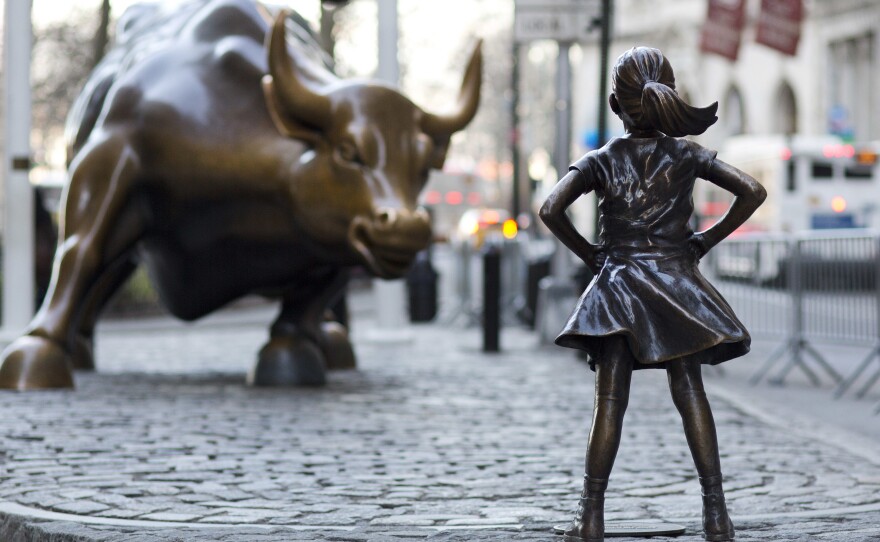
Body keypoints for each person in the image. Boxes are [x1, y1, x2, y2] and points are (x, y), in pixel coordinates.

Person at [539, 47, 766, 542]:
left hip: (618, 287)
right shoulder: (685, 154)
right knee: (690, 393)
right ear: (666, 96)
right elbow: (752, 191)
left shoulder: (601, 160)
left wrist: (593, 255)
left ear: (614, 105)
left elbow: (550, 209)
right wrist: (703, 241)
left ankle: (591, 516)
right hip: (674, 285)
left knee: (610, 402)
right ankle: (716, 515)